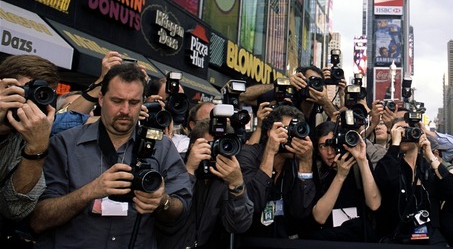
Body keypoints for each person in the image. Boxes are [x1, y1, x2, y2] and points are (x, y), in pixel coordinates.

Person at [30, 62, 192, 247]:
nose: (125, 110)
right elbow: (38, 219)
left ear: (143, 101)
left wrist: (162, 201)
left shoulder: (162, 147)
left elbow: (182, 209)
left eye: (133, 102)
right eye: (116, 101)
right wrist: (89, 192)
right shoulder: (65, 144)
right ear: (100, 98)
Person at [157, 119, 253, 248]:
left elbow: (238, 226)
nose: (214, 152)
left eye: (220, 146)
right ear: (192, 146)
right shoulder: (174, 164)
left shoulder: (228, 176)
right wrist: (189, 171)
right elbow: (168, 216)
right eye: (209, 145)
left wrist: (236, 185)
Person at [374, 116, 453, 245]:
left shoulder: (428, 168)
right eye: (400, 131)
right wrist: (395, 144)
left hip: (429, 236)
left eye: (409, 130)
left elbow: (451, 190)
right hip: (397, 236)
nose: (405, 134)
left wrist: (429, 154)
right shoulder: (391, 165)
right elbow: (383, 178)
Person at [237, 105, 315, 239]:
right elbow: (253, 203)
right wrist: (270, 152)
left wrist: (306, 162)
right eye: (286, 130)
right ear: (269, 132)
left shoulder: (295, 162)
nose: (292, 136)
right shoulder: (248, 154)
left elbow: (301, 211)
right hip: (249, 239)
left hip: (283, 240)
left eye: (295, 130)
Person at [0, 55, 56, 238]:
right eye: (25, 92)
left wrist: (36, 148)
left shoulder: (28, 136)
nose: (31, 103)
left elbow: (15, 209)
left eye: (40, 95)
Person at [305, 120, 381, 241]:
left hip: (359, 238)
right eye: (323, 146)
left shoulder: (357, 165)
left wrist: (362, 160)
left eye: (333, 144)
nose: (329, 152)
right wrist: (340, 176)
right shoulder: (317, 169)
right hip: (329, 239)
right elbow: (319, 217)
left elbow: (374, 204)